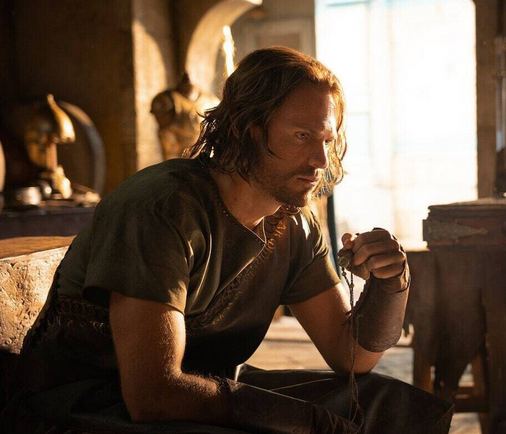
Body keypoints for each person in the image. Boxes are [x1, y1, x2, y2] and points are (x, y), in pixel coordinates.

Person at [2, 47, 454, 434]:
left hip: (202, 392)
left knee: (390, 405)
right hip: (88, 406)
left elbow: (351, 358)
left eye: (326, 139)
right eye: (301, 136)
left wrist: (390, 283)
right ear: (250, 130)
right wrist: (302, 421)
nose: (320, 159)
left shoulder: (294, 224)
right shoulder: (162, 209)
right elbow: (152, 394)